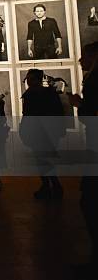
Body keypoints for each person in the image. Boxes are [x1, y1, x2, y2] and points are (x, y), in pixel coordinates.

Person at [68, 41, 98, 277]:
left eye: (84, 56)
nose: (80, 60)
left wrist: (80, 104)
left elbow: (91, 114)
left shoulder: (94, 80)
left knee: (90, 200)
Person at [19, 69, 66, 200]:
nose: (28, 81)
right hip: (44, 132)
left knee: (43, 161)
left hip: (42, 133)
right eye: (27, 79)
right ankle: (50, 186)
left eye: (31, 78)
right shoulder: (48, 93)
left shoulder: (35, 94)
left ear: (38, 79)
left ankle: (52, 186)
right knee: (43, 160)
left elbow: (29, 115)